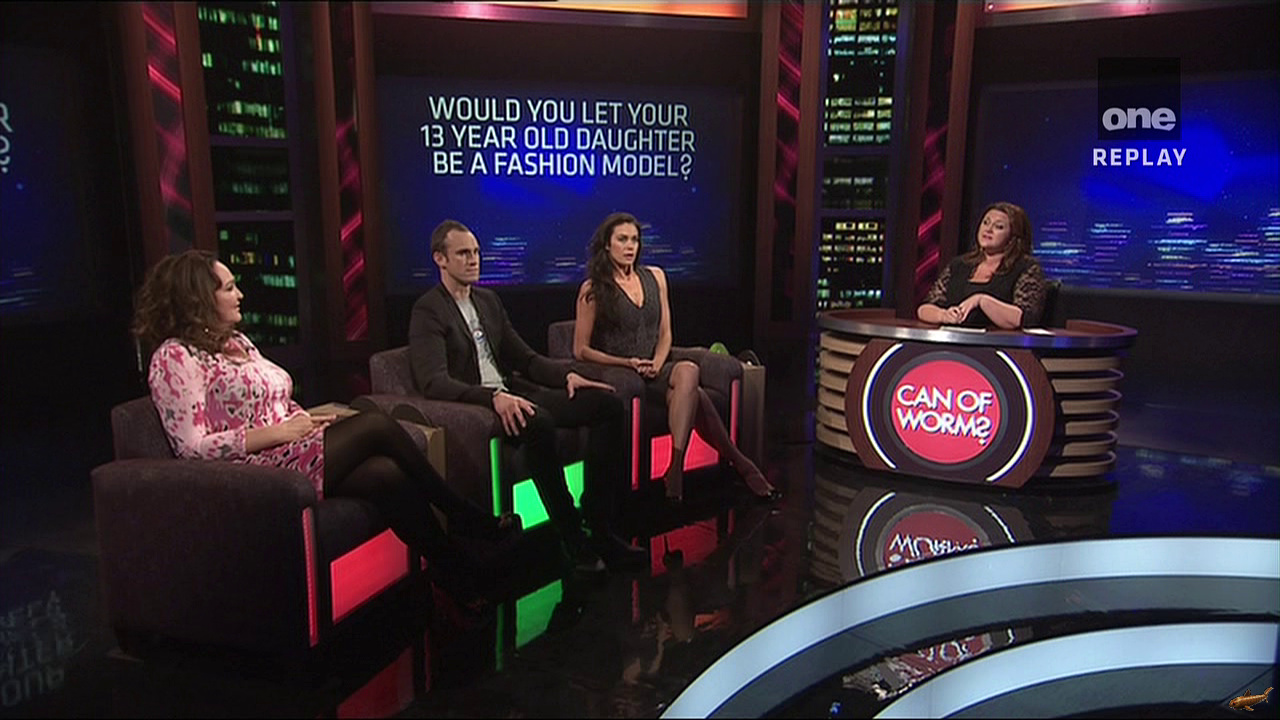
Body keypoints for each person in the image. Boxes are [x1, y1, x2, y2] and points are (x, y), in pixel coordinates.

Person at [132, 250, 520, 605]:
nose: (240, 295)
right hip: (249, 473)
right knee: (375, 425)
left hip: (286, 449)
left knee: (384, 475)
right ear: (199, 298)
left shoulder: (238, 343)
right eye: (229, 288)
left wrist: (304, 420)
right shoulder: (174, 358)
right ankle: (465, 516)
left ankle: (459, 575)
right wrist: (277, 434)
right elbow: (191, 446)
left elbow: (273, 400)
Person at [408, 219, 648, 573]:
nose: (473, 260)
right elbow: (434, 382)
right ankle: (572, 535)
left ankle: (599, 523)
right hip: (483, 406)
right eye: (463, 254)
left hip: (516, 393)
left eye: (476, 252)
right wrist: (492, 398)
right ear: (439, 259)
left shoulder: (488, 300)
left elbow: (526, 359)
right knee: (539, 422)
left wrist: (567, 375)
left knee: (608, 406)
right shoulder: (428, 310)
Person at [572, 211, 780, 506]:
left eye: (634, 240)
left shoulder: (655, 277)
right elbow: (580, 349)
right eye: (622, 239)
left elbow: (666, 333)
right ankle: (742, 464)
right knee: (697, 397)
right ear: (607, 244)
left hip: (656, 369)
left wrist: (657, 363)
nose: (630, 246)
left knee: (688, 370)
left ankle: (676, 466)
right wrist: (628, 363)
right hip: (624, 375)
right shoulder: (593, 289)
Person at [916, 201, 1049, 329]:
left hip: (998, 343)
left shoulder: (1026, 268)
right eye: (986, 223)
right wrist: (943, 315)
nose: (988, 230)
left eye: (998, 227)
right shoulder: (959, 265)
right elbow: (924, 308)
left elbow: (1025, 318)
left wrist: (981, 300)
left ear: (1013, 237)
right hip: (955, 339)